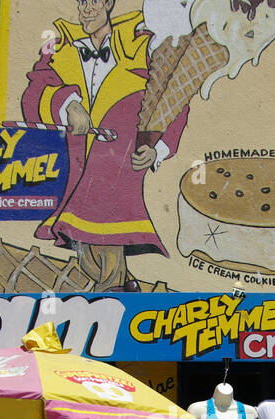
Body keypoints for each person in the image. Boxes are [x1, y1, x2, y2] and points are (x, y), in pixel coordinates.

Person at [21, 0, 190, 291]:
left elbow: (173, 97)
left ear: (110, 3)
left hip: (120, 161)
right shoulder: (58, 45)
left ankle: (109, 295)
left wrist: (157, 149)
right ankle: (126, 288)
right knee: (83, 244)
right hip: (74, 163)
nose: (86, 9)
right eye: (82, 2)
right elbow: (34, 92)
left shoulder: (141, 44)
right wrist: (68, 104)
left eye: (94, 1)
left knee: (104, 230)